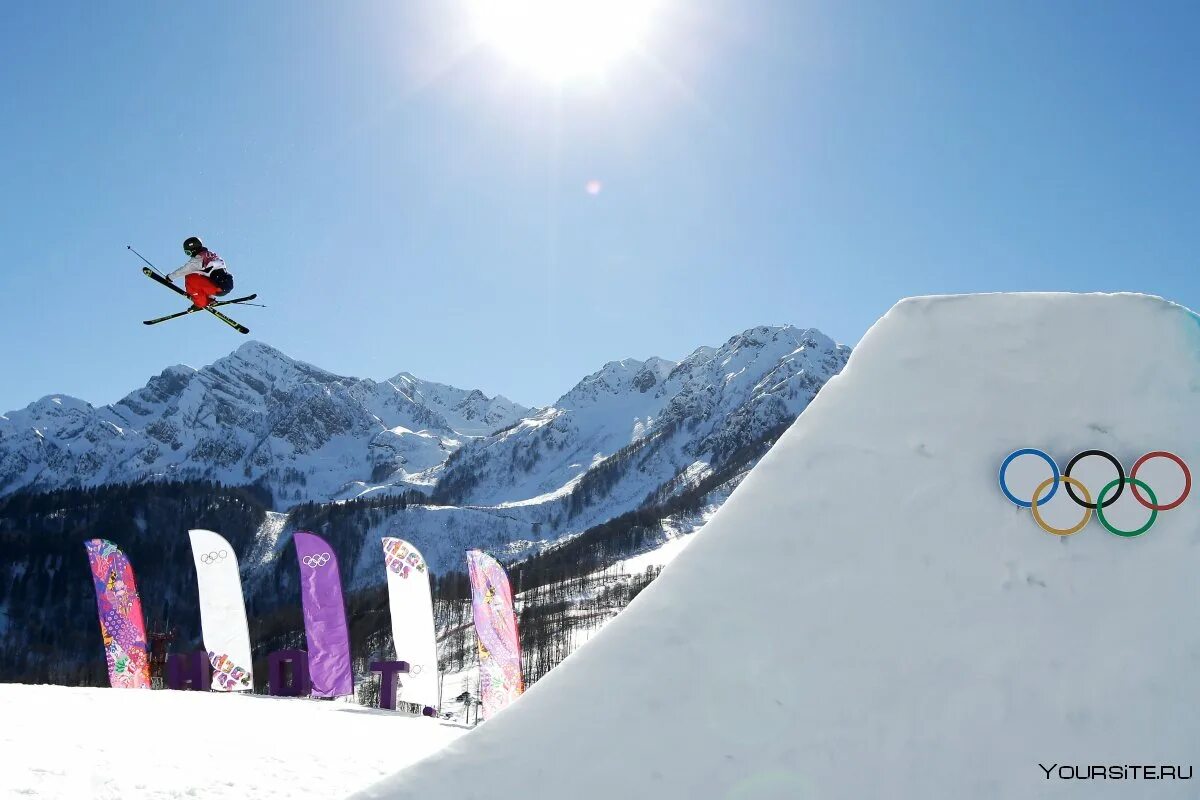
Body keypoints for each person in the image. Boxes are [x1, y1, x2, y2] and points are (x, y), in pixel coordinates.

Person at [168, 236, 234, 309]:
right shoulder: (210, 255)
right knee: (200, 275)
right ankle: (209, 299)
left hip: (219, 287)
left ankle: (200, 303)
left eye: (188, 253)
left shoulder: (198, 259)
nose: (189, 255)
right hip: (225, 284)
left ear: (193, 249)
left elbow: (184, 270)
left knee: (190, 278)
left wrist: (170, 277)